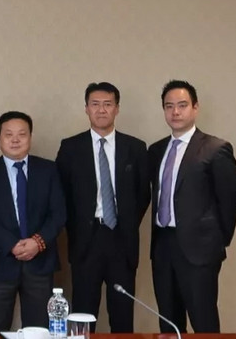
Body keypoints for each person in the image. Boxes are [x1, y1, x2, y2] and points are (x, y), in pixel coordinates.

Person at [56, 82, 149, 332]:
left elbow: (143, 194)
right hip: (86, 239)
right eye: (95, 104)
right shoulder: (70, 147)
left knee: (122, 314)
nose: (101, 110)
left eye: (108, 104)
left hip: (122, 238)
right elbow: (62, 195)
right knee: (83, 314)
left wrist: (126, 221)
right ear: (86, 108)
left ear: (117, 108)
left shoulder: (136, 148)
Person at [148, 79, 236, 333]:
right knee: (168, 322)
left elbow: (230, 200)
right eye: (169, 106)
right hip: (163, 245)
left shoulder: (215, 149)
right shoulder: (156, 150)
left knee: (204, 321)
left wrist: (217, 241)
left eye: (182, 105)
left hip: (200, 250)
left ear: (195, 107)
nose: (175, 112)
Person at [0, 111, 65, 332]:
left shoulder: (49, 170)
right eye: (8, 134)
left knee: (39, 331)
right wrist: (11, 244)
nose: (15, 140)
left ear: (30, 137)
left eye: (22, 134)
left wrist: (38, 242)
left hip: (40, 263)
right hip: (0, 264)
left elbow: (59, 213)